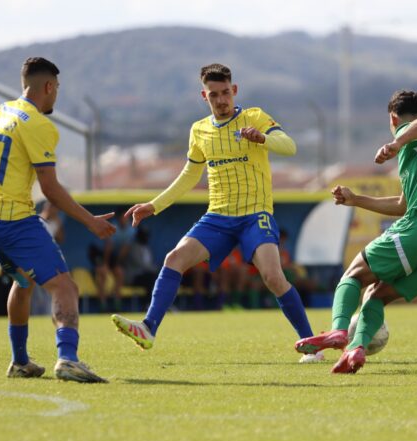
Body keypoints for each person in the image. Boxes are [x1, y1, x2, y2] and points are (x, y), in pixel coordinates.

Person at [111, 63, 321, 363]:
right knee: (174, 259)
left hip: (255, 213)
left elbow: (289, 147)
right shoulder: (199, 130)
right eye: (214, 95)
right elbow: (188, 176)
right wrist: (153, 205)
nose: (221, 100)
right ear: (204, 96)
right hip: (219, 216)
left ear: (234, 90)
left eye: (225, 93)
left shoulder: (254, 117)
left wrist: (263, 139)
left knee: (274, 277)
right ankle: (148, 328)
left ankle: (310, 344)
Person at [0, 57, 115, 383]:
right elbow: (51, 190)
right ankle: (67, 359)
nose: (55, 96)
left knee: (24, 282)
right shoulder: (37, 124)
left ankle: (19, 362)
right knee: (65, 286)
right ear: (49, 87)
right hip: (14, 221)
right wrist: (90, 221)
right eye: (56, 90)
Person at [295, 90, 417, 373]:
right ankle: (355, 349)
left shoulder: (416, 135)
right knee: (376, 294)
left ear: (393, 118)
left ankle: (338, 331)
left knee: (353, 275)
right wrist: (356, 199)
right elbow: (402, 204)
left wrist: (396, 142)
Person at [89, 210, 135, 311]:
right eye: (124, 217)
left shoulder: (131, 230)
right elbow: (108, 247)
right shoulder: (113, 226)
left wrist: (117, 263)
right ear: (119, 218)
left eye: (128, 217)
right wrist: (105, 264)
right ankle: (103, 304)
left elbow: (125, 249)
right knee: (102, 273)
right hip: (98, 251)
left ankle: (117, 302)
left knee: (120, 273)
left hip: (112, 254)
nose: (126, 220)